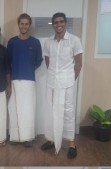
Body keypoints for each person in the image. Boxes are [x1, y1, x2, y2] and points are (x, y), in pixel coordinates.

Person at [41, 12, 83, 159]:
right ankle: (51, 140)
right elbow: (48, 62)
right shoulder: (48, 42)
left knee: (68, 112)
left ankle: (72, 144)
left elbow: (78, 63)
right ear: (53, 25)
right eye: (56, 22)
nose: (59, 25)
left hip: (67, 83)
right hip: (52, 82)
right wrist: (55, 75)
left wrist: (70, 78)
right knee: (51, 111)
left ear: (65, 23)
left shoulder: (74, 40)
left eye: (61, 22)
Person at [7, 13, 43, 147]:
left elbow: (38, 62)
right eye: (21, 23)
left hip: (29, 81)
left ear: (29, 25)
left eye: (26, 24)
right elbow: (8, 62)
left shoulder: (35, 42)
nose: (24, 26)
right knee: (14, 108)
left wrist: (27, 68)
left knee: (28, 109)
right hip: (14, 80)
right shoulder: (12, 42)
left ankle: (27, 137)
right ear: (18, 25)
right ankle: (15, 137)